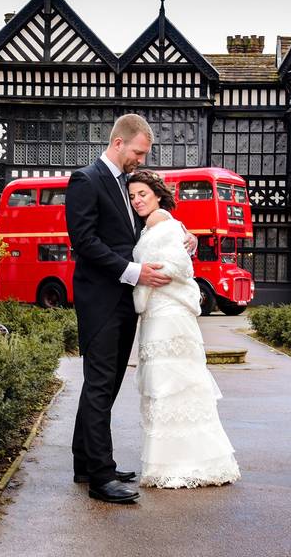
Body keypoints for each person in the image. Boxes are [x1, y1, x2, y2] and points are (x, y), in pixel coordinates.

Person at [65, 113, 193, 504]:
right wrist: (133, 271)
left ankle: (86, 463)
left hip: (124, 302)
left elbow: (139, 233)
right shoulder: (85, 180)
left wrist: (182, 237)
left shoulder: (125, 184)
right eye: (138, 151)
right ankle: (101, 477)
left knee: (105, 385)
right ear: (118, 143)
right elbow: (84, 241)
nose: (140, 159)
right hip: (100, 301)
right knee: (101, 385)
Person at [127, 170, 241, 489]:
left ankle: (174, 465)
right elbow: (179, 255)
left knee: (168, 387)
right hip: (163, 312)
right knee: (178, 387)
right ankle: (196, 461)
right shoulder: (169, 222)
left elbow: (176, 266)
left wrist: (144, 283)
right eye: (133, 195)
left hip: (166, 315)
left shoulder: (158, 220)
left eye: (143, 195)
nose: (137, 200)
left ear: (158, 195)